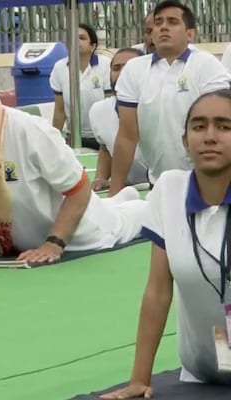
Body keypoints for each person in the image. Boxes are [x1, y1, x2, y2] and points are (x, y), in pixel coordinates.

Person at [0, 70, 147, 264]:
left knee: (126, 220)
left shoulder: (30, 131)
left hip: (78, 233)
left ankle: (140, 204)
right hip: (13, 242)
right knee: (113, 207)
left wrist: (54, 243)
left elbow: (79, 188)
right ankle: (120, 200)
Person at [101, 89, 231, 399]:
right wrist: (139, 379)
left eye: (224, 126)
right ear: (185, 141)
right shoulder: (169, 190)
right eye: (198, 126)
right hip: (202, 368)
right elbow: (158, 292)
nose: (209, 136)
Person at [109, 0, 231, 196]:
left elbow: (217, 125)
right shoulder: (133, 70)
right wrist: (114, 195)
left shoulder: (207, 65)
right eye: (158, 23)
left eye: (173, 22)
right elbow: (127, 136)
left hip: (210, 181)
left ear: (190, 34)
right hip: (160, 185)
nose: (163, 27)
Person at [89, 48, 147, 191]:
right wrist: (101, 177)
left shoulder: (161, 105)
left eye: (128, 67)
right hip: (126, 191)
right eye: (116, 68)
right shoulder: (98, 111)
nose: (122, 73)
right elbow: (105, 147)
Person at [50, 23, 111, 150]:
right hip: (73, 137)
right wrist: (53, 140)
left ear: (92, 46)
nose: (76, 41)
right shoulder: (59, 68)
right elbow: (59, 111)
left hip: (102, 137)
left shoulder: (105, 65)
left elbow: (110, 105)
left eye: (82, 38)